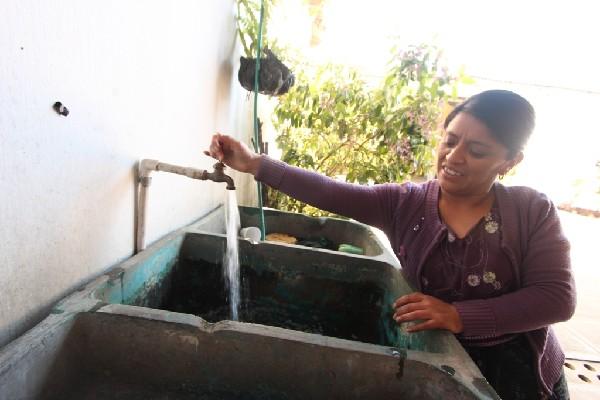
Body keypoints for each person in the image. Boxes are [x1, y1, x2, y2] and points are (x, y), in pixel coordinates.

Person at [205, 90, 575, 399]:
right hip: (441, 367)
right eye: (450, 140)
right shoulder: (406, 203)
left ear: (510, 160)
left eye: (477, 150)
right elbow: (333, 192)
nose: (454, 156)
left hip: (524, 375)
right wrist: (254, 164)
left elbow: (557, 297)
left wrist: (460, 316)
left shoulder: (530, 210)